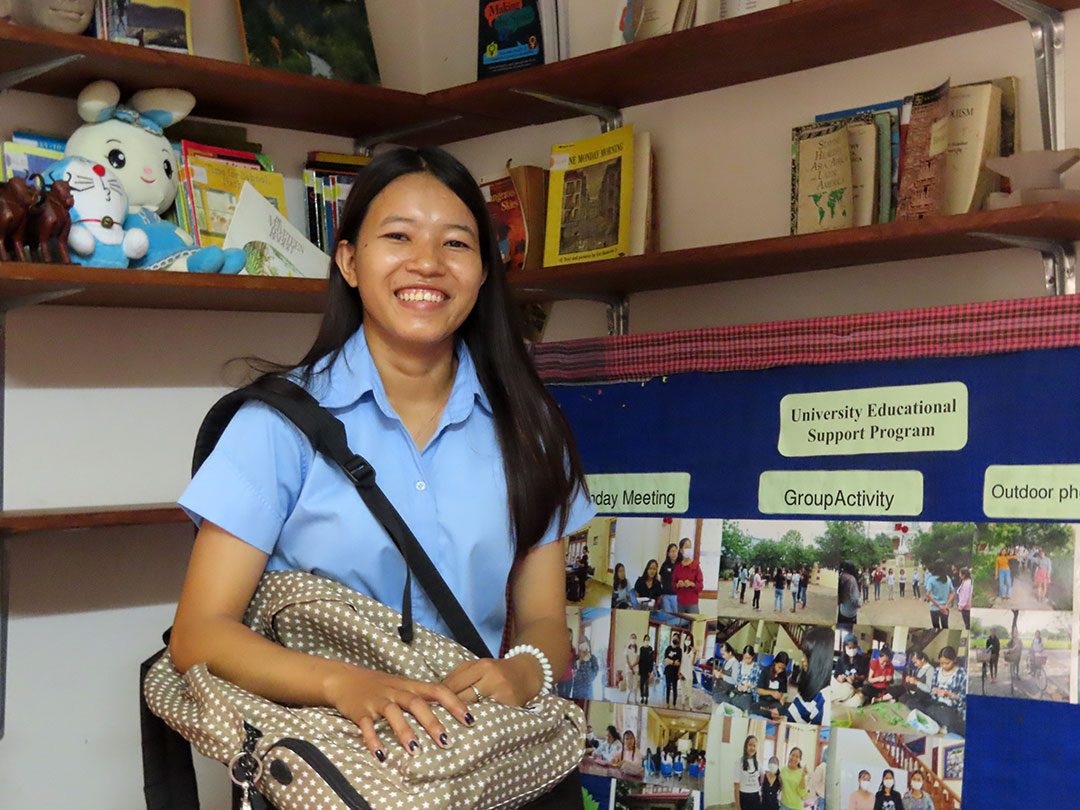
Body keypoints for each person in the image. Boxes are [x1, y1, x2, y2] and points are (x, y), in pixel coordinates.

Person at [168, 147, 595, 803]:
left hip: (469, 769)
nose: (426, 261)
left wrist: (523, 673)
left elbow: (544, 624)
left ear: (483, 273)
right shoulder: (276, 427)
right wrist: (343, 683)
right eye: (397, 236)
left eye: (455, 243)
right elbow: (199, 635)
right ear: (349, 262)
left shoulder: (530, 431)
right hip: (329, 772)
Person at [784, 625, 834, 725]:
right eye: (803, 654)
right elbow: (795, 714)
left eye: (807, 655)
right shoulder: (810, 682)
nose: (802, 659)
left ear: (820, 659)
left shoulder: (825, 700)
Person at [926, 646, 967, 735]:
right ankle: (941, 724)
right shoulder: (937, 671)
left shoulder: (961, 674)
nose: (943, 666)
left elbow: (964, 698)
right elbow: (932, 690)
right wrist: (935, 691)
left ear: (954, 660)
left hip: (951, 708)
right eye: (941, 663)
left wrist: (950, 695)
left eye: (947, 663)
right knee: (912, 703)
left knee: (948, 718)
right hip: (936, 704)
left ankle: (943, 725)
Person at [834, 633, 869, 704]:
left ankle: (841, 701)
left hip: (857, 688)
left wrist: (856, 677)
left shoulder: (863, 660)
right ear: (844, 648)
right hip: (844, 686)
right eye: (849, 648)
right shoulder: (841, 660)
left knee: (859, 699)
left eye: (854, 647)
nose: (852, 650)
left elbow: (864, 676)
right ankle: (844, 698)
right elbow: (836, 675)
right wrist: (840, 678)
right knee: (848, 690)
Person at [726, 645, 761, 712]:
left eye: (749, 658)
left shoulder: (757, 667)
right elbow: (736, 679)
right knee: (728, 696)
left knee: (745, 702)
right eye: (745, 658)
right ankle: (736, 702)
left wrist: (748, 686)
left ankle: (739, 703)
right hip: (739, 689)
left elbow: (758, 683)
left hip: (750, 692)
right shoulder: (740, 664)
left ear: (753, 656)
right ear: (743, 655)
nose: (747, 660)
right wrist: (739, 686)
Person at [673, 538, 704, 614]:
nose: (688, 549)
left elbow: (700, 586)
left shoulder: (696, 565)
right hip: (680, 602)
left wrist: (691, 584)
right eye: (686, 547)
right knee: (681, 624)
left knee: (694, 624)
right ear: (681, 550)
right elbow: (673, 585)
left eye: (690, 547)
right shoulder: (678, 567)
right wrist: (678, 584)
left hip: (692, 603)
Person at [755, 650, 789, 717]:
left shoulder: (783, 675)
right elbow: (759, 690)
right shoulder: (766, 671)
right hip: (764, 701)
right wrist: (772, 693)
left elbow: (785, 692)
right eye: (779, 667)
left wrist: (783, 698)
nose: (780, 670)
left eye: (783, 668)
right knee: (758, 711)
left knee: (783, 712)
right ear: (775, 663)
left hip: (775, 702)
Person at [734, 735, 762, 810]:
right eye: (750, 745)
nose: (752, 748)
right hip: (744, 796)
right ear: (746, 746)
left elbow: (762, 778)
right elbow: (736, 786)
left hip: (756, 796)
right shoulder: (739, 762)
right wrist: (738, 806)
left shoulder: (758, 763)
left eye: (754, 746)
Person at [925, 562, 955, 630]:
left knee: (936, 629)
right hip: (945, 607)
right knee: (945, 627)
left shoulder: (931, 579)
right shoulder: (948, 578)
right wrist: (947, 604)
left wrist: (938, 606)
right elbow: (952, 593)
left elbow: (928, 594)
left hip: (934, 608)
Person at [838, 560, 861, 625]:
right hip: (850, 613)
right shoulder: (851, 579)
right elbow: (855, 599)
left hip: (842, 610)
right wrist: (859, 604)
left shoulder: (841, 576)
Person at [660, 543, 681, 614]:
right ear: (668, 553)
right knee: (667, 616)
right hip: (666, 595)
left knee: (677, 614)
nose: (674, 553)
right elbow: (661, 579)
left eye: (675, 551)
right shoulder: (664, 565)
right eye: (672, 551)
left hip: (676, 595)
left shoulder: (680, 565)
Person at [664, 632, 683, 707]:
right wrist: (674, 662)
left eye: (677, 638)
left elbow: (679, 663)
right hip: (668, 671)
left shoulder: (679, 650)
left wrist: (670, 661)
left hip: (675, 672)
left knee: (675, 688)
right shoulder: (668, 648)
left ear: (678, 640)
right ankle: (667, 702)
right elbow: (666, 661)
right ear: (672, 638)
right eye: (674, 638)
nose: (675, 639)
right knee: (668, 687)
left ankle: (674, 703)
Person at [679, 634, 697, 708]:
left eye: (689, 639)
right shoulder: (682, 650)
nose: (688, 641)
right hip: (682, 672)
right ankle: (683, 703)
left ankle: (690, 706)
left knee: (689, 691)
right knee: (683, 690)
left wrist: (695, 654)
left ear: (691, 641)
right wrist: (679, 672)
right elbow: (681, 662)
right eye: (687, 639)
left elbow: (692, 663)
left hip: (689, 673)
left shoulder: (693, 650)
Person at [638, 634, 656, 705]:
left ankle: (646, 698)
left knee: (647, 685)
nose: (647, 641)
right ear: (643, 640)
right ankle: (642, 697)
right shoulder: (641, 649)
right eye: (646, 639)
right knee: (642, 684)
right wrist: (639, 670)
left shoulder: (650, 649)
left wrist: (651, 671)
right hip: (642, 669)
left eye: (648, 639)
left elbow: (651, 660)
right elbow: (640, 660)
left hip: (648, 670)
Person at [624, 634, 640, 704]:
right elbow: (626, 659)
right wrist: (631, 668)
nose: (633, 639)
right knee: (629, 686)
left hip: (636, 669)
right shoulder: (626, 648)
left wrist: (633, 667)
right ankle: (627, 699)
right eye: (632, 638)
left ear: (636, 639)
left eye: (634, 638)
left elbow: (638, 660)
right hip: (628, 669)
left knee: (635, 686)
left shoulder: (638, 648)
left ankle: (635, 700)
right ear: (630, 639)